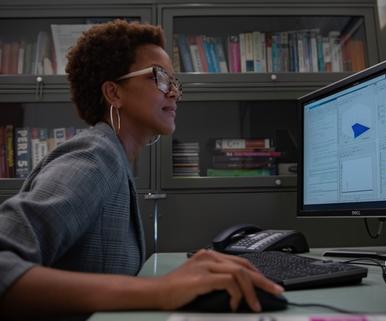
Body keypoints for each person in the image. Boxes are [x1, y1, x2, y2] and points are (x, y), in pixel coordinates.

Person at [0, 20, 283, 320]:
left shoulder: (115, 158)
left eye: (175, 83)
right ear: (114, 93)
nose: (173, 93)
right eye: (160, 78)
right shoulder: (95, 157)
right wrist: (162, 292)